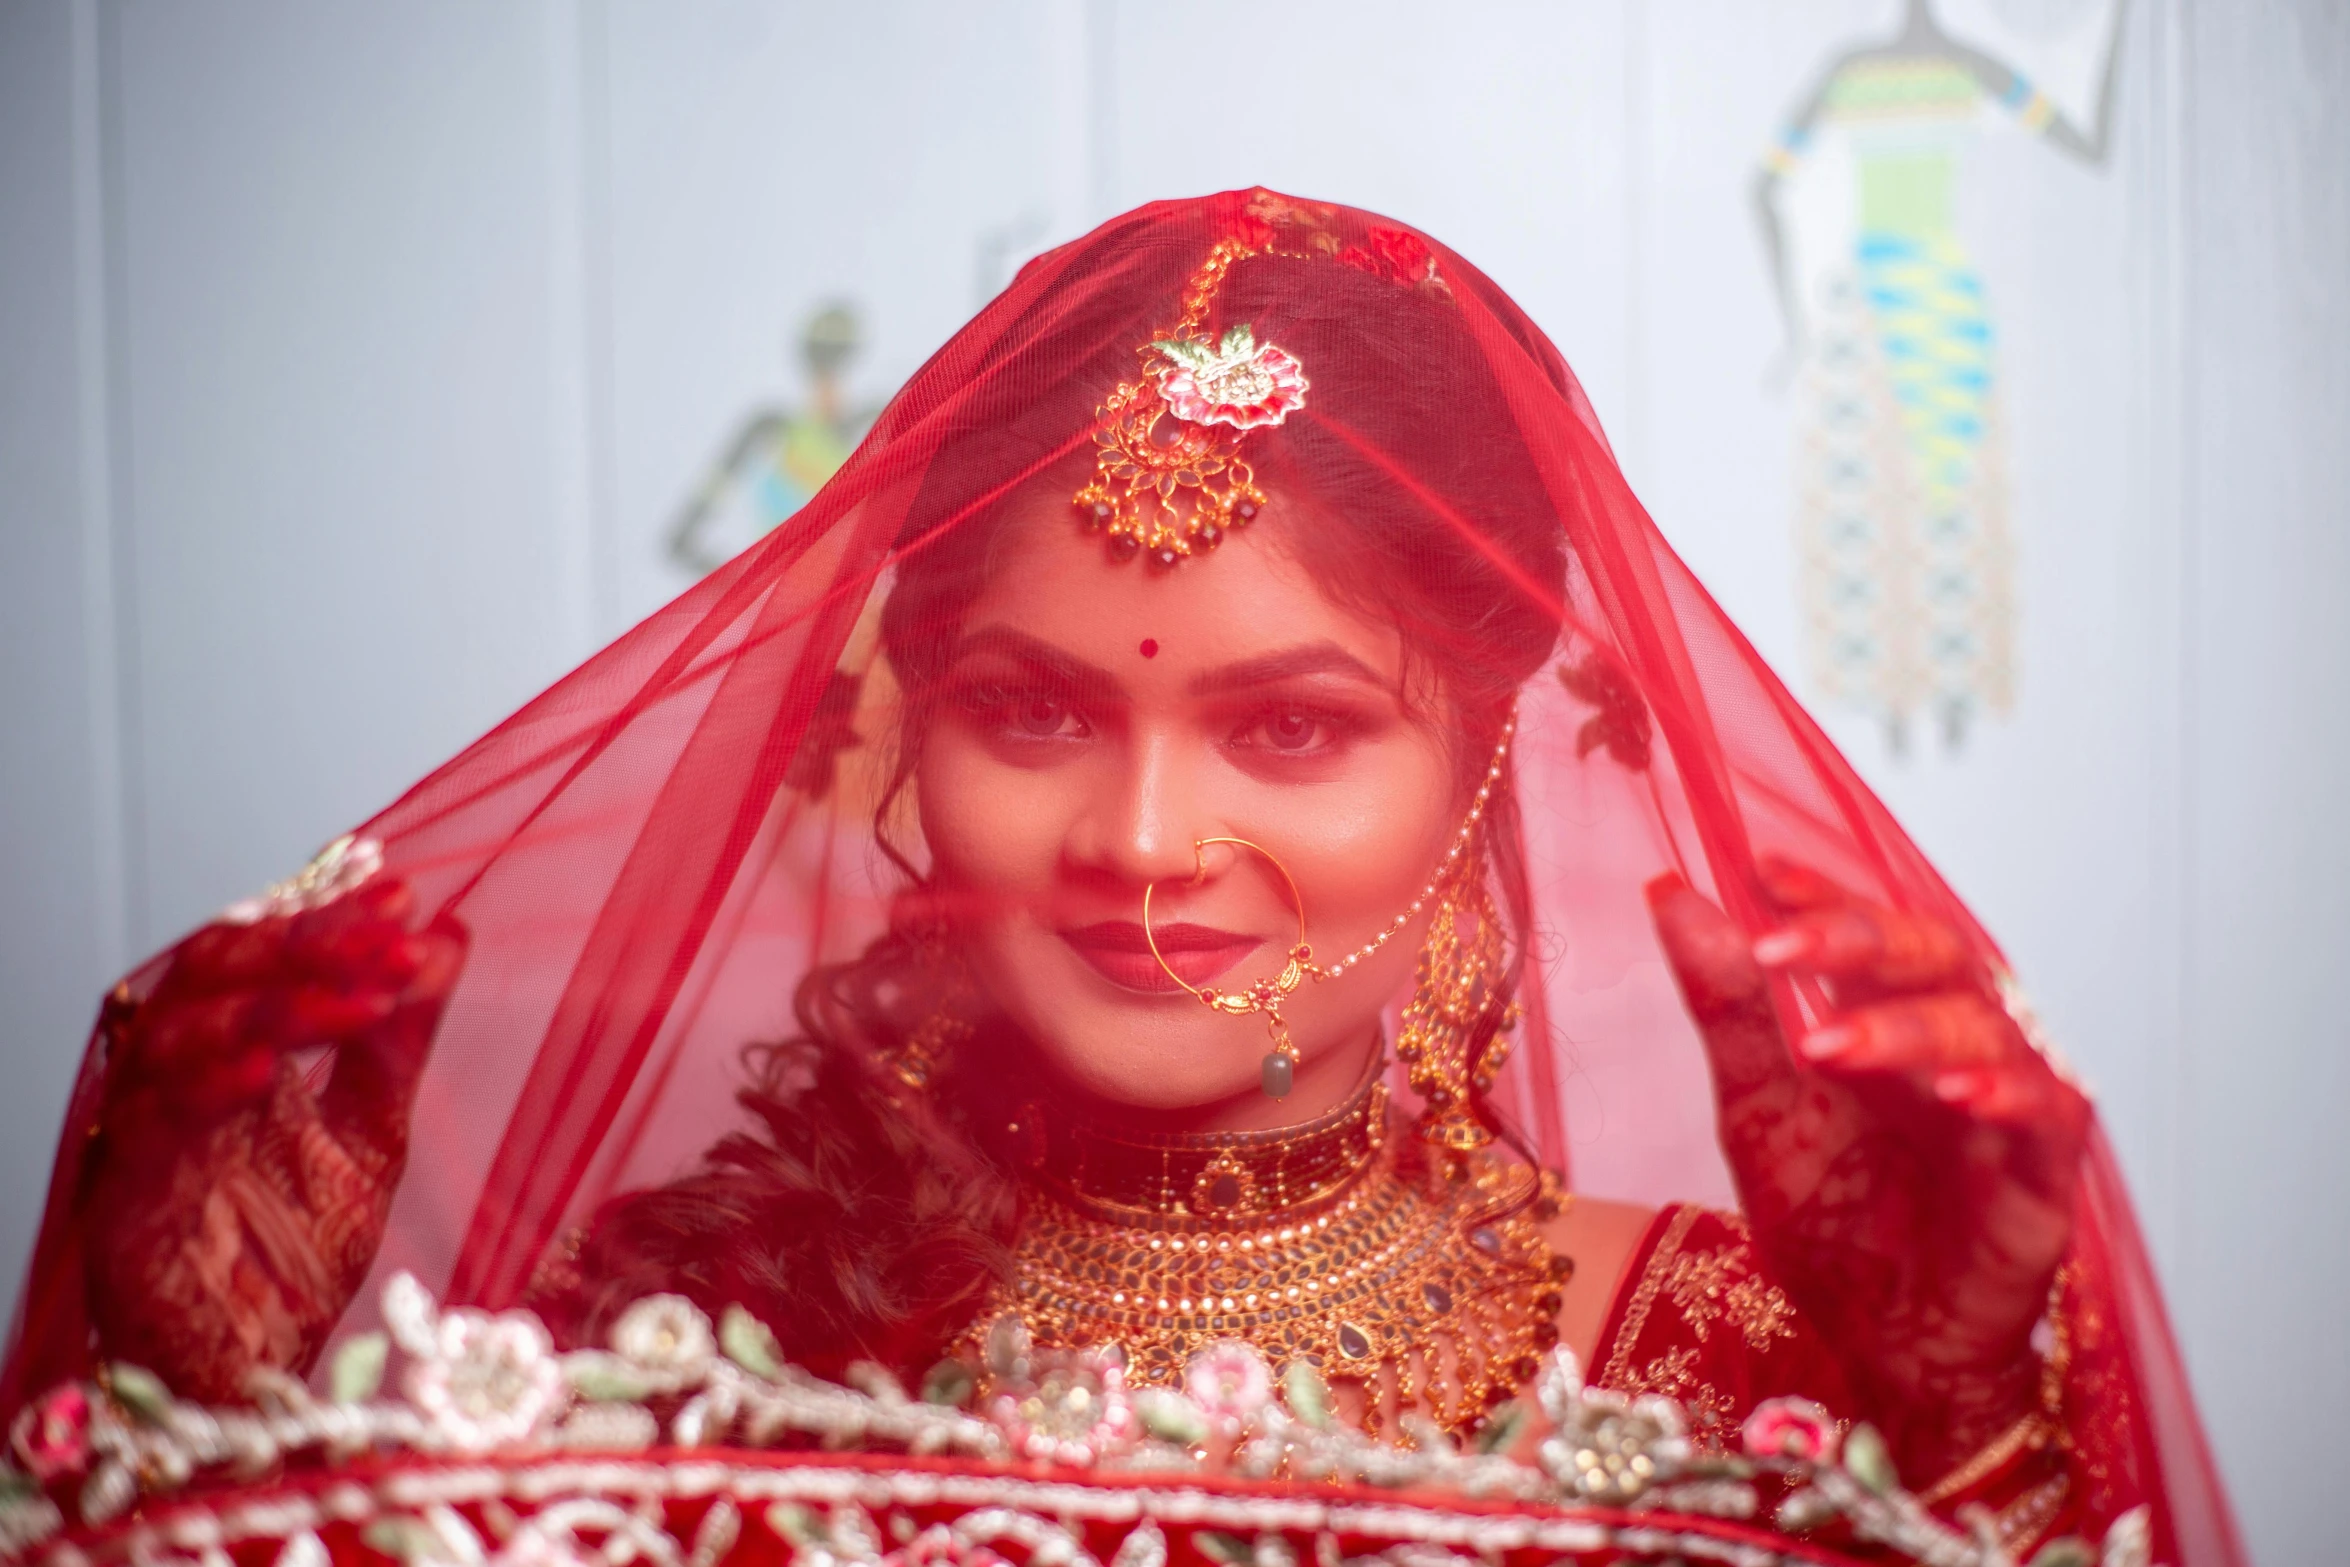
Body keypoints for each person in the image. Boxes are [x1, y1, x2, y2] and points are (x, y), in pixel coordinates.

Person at [2, 191, 2238, 1565]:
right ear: (913, 717)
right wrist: (193, 1431)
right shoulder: (691, 1339)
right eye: (1035, 713)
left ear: (1485, 746)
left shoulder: (1715, 1355)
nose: (1142, 850)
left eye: (1288, 726)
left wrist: (1960, 1432)